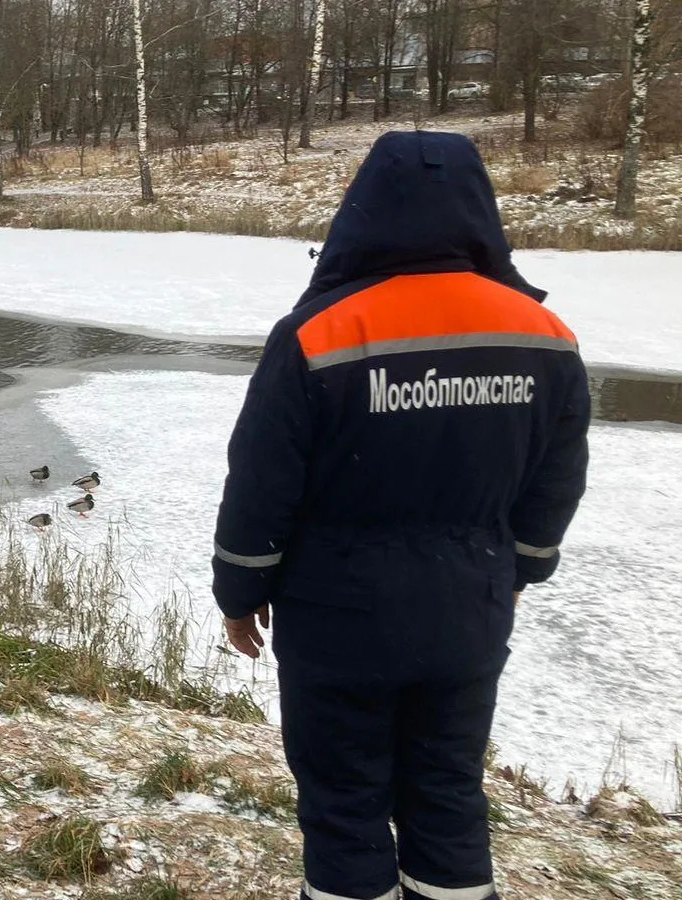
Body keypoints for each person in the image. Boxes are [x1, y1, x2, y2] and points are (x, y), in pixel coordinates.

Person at [211, 131, 590, 900]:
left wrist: (240, 591)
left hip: (338, 616)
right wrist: (521, 569)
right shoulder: (543, 335)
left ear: (364, 211)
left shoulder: (318, 332)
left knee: (344, 803)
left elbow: (260, 483)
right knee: (447, 793)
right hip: (469, 608)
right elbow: (557, 478)